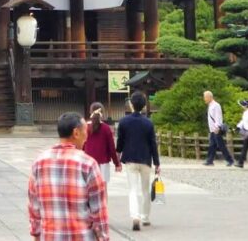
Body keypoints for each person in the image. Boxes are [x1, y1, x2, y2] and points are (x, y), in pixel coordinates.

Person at [27, 111, 110, 241]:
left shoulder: (39, 162)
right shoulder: (88, 164)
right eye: (85, 132)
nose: (86, 137)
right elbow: (98, 212)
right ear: (76, 133)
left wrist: (36, 235)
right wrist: (103, 237)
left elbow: (34, 207)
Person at [116, 91, 160, 232]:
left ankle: (135, 216)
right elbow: (153, 144)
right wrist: (157, 163)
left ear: (131, 104)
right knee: (145, 190)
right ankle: (145, 217)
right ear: (143, 105)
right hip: (145, 159)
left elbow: (120, 141)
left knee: (133, 190)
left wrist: (118, 155)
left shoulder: (124, 122)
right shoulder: (148, 123)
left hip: (130, 158)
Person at [82, 102, 121, 187]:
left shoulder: (85, 127)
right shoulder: (106, 128)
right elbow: (111, 148)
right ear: (102, 113)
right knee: (103, 188)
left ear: (90, 112)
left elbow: (81, 145)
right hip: (103, 162)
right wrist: (116, 163)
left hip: (88, 161)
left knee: (89, 188)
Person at [202, 90, 234, 166]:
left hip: (216, 129)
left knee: (221, 145)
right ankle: (210, 160)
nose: (204, 99)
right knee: (212, 145)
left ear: (209, 97)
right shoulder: (210, 106)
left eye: (205, 97)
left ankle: (230, 160)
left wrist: (217, 127)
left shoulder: (216, 105)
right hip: (212, 129)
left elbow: (218, 117)